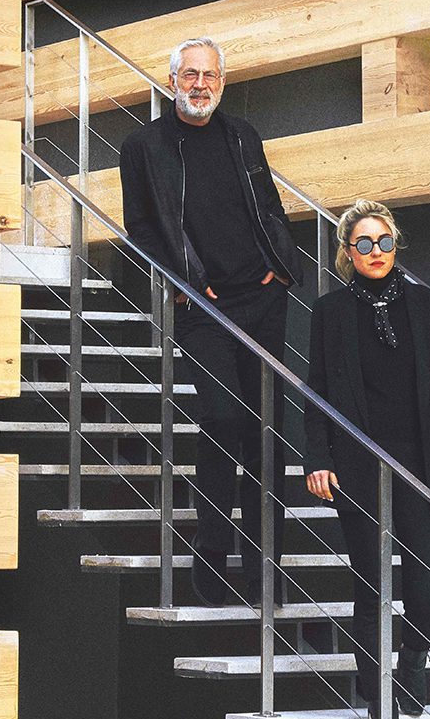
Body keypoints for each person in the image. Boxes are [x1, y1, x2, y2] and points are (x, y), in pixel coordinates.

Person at [119, 37, 302, 609]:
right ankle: (211, 554)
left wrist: (282, 270)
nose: (201, 85)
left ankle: (262, 567)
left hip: (263, 298)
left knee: (265, 435)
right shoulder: (143, 145)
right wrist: (186, 286)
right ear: (172, 80)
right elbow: (143, 230)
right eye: (191, 75)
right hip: (204, 305)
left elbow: (268, 206)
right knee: (221, 420)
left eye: (211, 76)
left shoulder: (243, 135)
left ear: (222, 82)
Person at [303, 199, 430, 719]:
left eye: (383, 241)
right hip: (359, 463)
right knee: (372, 589)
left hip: (418, 464)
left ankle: (413, 656)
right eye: (363, 243)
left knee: (426, 588)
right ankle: (381, 716)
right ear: (347, 251)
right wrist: (317, 455)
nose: (375, 252)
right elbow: (317, 388)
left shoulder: (424, 305)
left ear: (396, 245)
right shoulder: (331, 312)